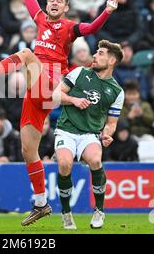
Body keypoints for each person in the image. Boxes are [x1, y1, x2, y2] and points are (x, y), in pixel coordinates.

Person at [0, 0, 119, 226]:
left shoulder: (70, 28)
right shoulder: (39, 19)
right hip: (37, 92)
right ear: (47, 5)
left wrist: (107, 11)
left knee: (25, 53)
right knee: (27, 151)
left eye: (60, 0)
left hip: (54, 80)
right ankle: (40, 203)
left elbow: (93, 28)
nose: (55, 2)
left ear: (66, 7)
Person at [53, 40, 124, 230]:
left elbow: (111, 123)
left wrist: (107, 135)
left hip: (90, 134)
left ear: (111, 61)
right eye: (96, 52)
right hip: (66, 129)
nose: (94, 55)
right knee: (65, 164)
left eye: (100, 53)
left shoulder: (117, 91)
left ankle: (99, 210)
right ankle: (66, 213)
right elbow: (55, 95)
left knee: (95, 161)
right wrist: (73, 100)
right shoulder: (79, 72)